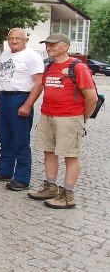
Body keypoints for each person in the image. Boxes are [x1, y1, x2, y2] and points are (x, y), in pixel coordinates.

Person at [28, 33, 98, 209]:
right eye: (47, 45)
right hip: (48, 115)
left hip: (69, 117)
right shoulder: (50, 66)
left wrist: (82, 119)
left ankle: (68, 195)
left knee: (70, 155)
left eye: (53, 44)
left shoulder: (78, 67)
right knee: (49, 151)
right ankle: (51, 187)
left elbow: (92, 98)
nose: (48, 47)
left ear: (65, 46)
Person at [0, 28, 44, 192]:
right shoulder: (5, 54)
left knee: (20, 140)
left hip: (20, 98)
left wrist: (27, 105)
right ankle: (5, 171)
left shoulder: (32, 57)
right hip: (4, 98)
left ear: (26, 40)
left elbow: (39, 83)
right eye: (11, 38)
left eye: (18, 38)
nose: (14, 40)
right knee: (5, 138)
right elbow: (2, 77)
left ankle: (22, 178)